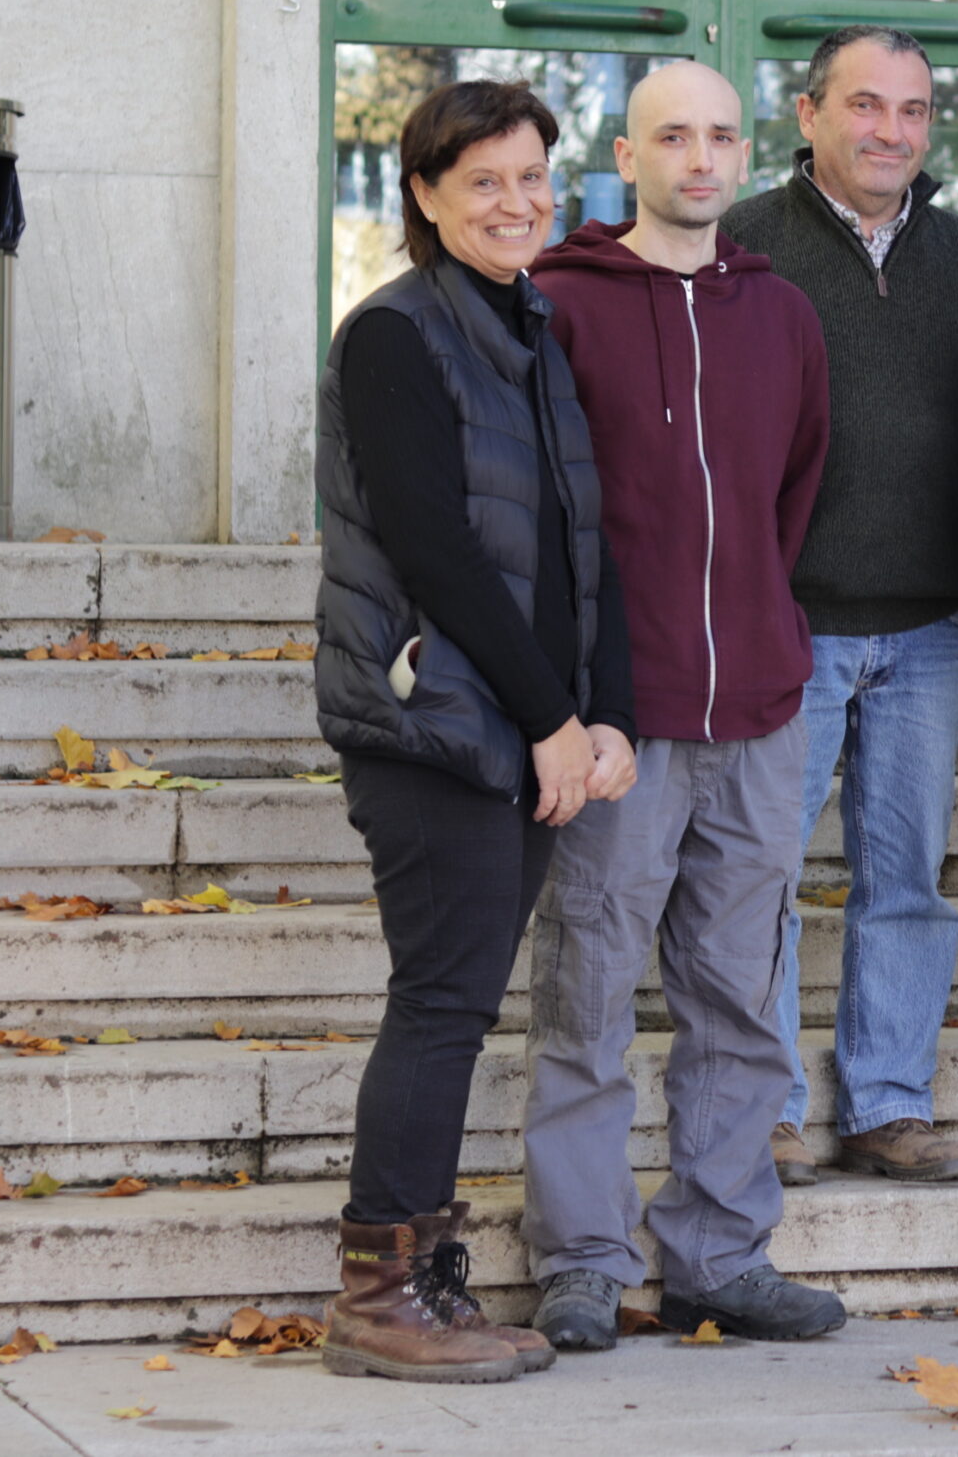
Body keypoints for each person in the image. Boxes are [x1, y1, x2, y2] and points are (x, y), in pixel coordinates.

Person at [312, 78, 637, 1384]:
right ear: (428, 197)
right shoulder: (392, 335)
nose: (515, 201)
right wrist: (554, 716)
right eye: (484, 180)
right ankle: (380, 1293)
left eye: (530, 175)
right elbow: (437, 551)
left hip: (525, 729)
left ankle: (427, 1280)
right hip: (434, 724)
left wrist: (603, 710)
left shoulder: (535, 328)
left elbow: (582, 544)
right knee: (441, 1001)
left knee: (457, 1000)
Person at [518, 60, 843, 1347]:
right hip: (622, 721)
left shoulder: (785, 315)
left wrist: (756, 626)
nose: (699, 159)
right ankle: (583, 1258)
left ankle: (716, 1253)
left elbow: (792, 493)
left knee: (742, 1001)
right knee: (588, 992)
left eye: (719, 137)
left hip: (761, 713)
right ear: (626, 152)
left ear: (743, 151)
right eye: (671, 137)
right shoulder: (559, 303)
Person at [719, 28, 958, 1187]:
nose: (891, 130)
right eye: (866, 106)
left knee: (908, 881)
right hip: (788, 623)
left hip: (928, 629)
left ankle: (889, 1103)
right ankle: (771, 1107)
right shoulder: (742, 244)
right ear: (807, 114)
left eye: (914, 110)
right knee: (762, 877)